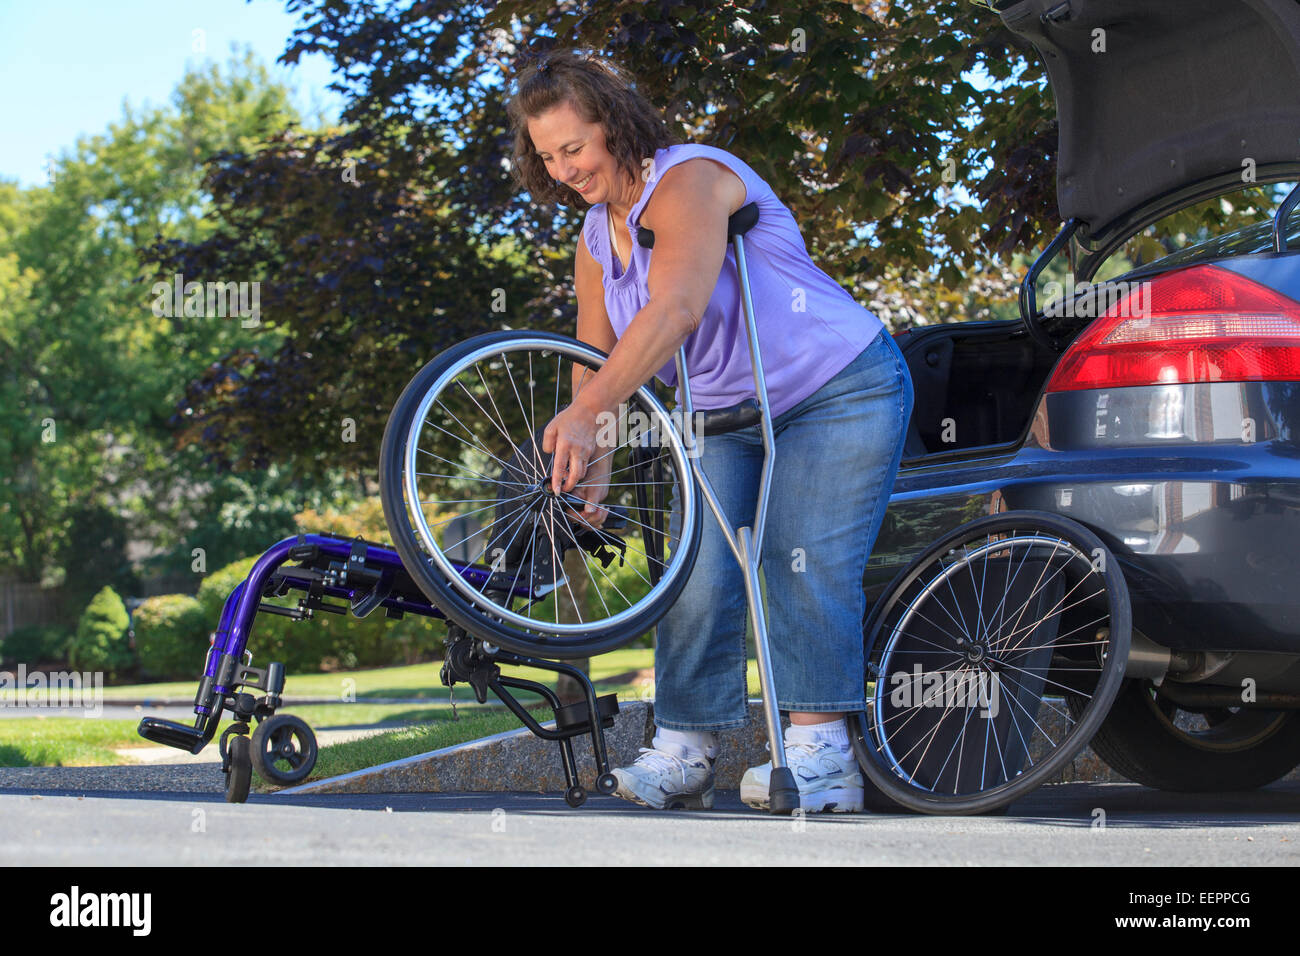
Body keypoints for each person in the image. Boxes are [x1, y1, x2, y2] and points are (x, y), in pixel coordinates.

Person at [506, 50, 914, 812]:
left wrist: (590, 411)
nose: (563, 169)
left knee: (798, 561)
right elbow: (592, 363)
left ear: (614, 125)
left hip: (835, 388)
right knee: (693, 572)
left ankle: (822, 761)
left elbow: (675, 310)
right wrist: (591, 456)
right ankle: (685, 750)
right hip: (721, 414)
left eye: (575, 147)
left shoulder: (691, 177)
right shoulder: (597, 240)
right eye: (548, 156)